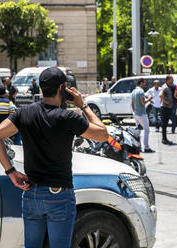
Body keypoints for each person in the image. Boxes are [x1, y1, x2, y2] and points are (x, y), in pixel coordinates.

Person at [0, 67, 109, 247]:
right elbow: (102, 134)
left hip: (31, 194)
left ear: (42, 88)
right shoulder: (67, 117)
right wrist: (83, 105)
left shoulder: (23, 113)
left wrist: (11, 171)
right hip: (59, 195)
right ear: (62, 88)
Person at [131, 79, 155, 153]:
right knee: (146, 130)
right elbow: (143, 102)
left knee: (138, 131)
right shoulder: (141, 91)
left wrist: (134, 112)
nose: (145, 84)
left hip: (135, 113)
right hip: (141, 114)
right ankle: (146, 147)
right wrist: (149, 98)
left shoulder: (134, 91)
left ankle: (139, 147)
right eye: (144, 83)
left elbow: (132, 103)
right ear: (141, 83)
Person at [159, 75, 174, 144]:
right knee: (164, 124)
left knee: (165, 124)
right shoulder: (165, 87)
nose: (173, 80)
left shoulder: (168, 86)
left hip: (167, 108)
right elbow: (160, 95)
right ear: (168, 80)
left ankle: (165, 138)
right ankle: (164, 139)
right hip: (165, 108)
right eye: (172, 79)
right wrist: (166, 101)